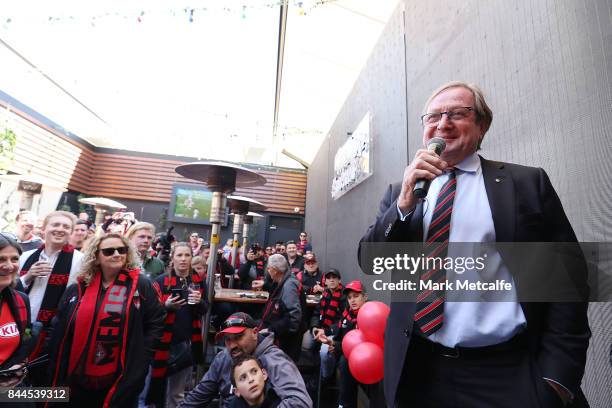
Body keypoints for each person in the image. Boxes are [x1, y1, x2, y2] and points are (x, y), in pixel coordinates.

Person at [359, 81, 590, 407]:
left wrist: (556, 378)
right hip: (419, 370)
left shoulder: (525, 184)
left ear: (481, 125)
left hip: (507, 374)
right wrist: (403, 206)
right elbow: (371, 261)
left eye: (457, 113)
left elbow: (569, 279)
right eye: (433, 116)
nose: (443, 123)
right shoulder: (404, 191)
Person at [47, 233, 166, 407]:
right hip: (75, 377)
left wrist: (142, 357)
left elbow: (155, 322)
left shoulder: (140, 285)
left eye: (122, 250)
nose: (117, 254)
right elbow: (59, 325)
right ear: (96, 258)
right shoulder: (79, 287)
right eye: (109, 251)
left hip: (120, 378)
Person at [178, 313, 312, 407]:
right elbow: (197, 397)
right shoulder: (224, 357)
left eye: (238, 337)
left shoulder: (275, 360)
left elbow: (300, 402)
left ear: (254, 333)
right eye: (228, 340)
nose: (232, 345)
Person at [18, 211, 84, 368]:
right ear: (44, 229)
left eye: (66, 226)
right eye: (55, 224)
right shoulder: (25, 256)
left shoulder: (81, 260)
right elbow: (11, 288)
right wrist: (28, 276)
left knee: (41, 378)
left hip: (54, 331)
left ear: (70, 231)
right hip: (21, 323)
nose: (60, 229)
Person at [147, 242, 206, 408]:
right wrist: (166, 306)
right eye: (179, 255)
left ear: (191, 257)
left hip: (186, 343)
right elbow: (150, 313)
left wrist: (199, 302)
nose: (183, 259)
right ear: (172, 258)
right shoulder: (161, 281)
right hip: (161, 343)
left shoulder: (198, 281)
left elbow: (205, 308)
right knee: (157, 389)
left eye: (187, 255)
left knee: (177, 393)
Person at [318, 281, 381, 408]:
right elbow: (344, 340)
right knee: (329, 353)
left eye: (356, 296)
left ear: (365, 297)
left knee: (344, 362)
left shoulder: (371, 314)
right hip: (351, 359)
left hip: (372, 361)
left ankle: (343, 403)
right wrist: (332, 344)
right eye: (349, 297)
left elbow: (362, 346)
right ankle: (328, 390)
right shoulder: (347, 314)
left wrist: (336, 345)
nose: (352, 300)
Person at [0, 234, 34, 390]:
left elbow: (25, 337)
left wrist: (18, 366)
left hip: (9, 388)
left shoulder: (21, 300)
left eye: (14, 259)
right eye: (1, 259)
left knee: (59, 395)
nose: (9, 266)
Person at [259, 254, 303, 361]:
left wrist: (271, 332)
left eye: (268, 268)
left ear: (274, 270)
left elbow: (293, 320)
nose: (267, 270)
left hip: (284, 343)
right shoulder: (283, 281)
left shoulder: (289, 285)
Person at [310, 268, 344, 383]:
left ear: (339, 280)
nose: (331, 280)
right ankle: (315, 370)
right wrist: (314, 328)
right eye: (329, 278)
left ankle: (326, 377)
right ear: (326, 281)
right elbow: (316, 313)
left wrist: (326, 331)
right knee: (306, 343)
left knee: (324, 353)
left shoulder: (344, 297)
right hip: (322, 329)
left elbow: (343, 322)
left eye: (334, 277)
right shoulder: (325, 294)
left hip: (336, 333)